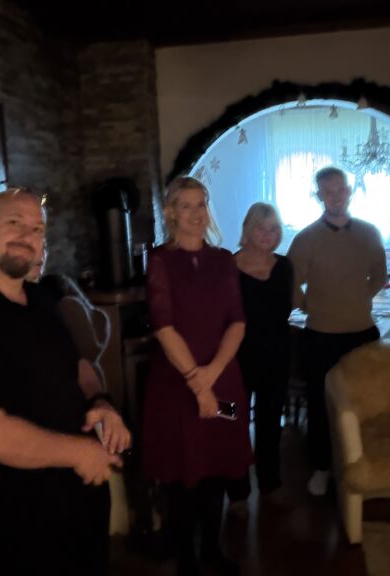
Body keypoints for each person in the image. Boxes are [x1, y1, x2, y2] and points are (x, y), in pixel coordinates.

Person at [0, 189, 131, 576]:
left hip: (79, 510)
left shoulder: (43, 299)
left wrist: (102, 402)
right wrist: (81, 454)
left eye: (37, 229)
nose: (27, 236)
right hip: (21, 525)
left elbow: (79, 366)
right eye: (15, 223)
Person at [144, 176, 251, 575]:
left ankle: (211, 548)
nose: (194, 213)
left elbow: (238, 321)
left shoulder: (224, 260)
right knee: (182, 470)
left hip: (224, 380)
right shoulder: (160, 261)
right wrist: (197, 382)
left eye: (200, 204)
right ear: (171, 212)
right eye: (185, 205)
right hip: (176, 386)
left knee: (218, 464)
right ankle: (185, 558)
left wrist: (212, 375)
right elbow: (164, 327)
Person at [287, 167, 387, 496]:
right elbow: (291, 284)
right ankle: (322, 466)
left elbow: (379, 275)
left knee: (365, 400)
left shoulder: (369, 233)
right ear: (319, 196)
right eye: (327, 192)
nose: (335, 196)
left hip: (362, 332)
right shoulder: (306, 239)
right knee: (321, 403)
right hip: (321, 335)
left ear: (349, 191)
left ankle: (364, 462)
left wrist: (358, 299)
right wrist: (312, 306)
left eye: (340, 189)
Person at [226, 203, 293, 503]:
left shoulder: (284, 266)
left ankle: (270, 482)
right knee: (233, 422)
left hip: (276, 355)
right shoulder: (229, 265)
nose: (268, 234)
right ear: (248, 230)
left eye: (273, 229)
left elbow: (282, 312)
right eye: (261, 228)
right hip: (235, 357)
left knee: (270, 422)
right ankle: (237, 491)